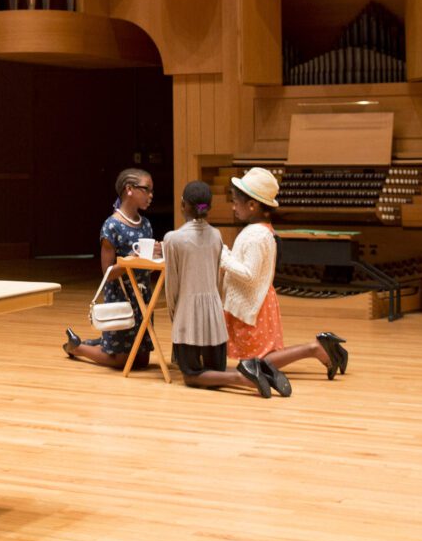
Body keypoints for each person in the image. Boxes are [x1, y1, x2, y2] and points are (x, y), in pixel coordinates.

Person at [162, 181, 289, 398]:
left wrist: (175, 315)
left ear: (183, 205)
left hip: (188, 315)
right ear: (208, 207)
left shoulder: (172, 239)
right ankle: (261, 371)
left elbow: (172, 286)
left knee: (191, 376)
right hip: (215, 317)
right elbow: (217, 279)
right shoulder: (216, 235)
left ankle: (244, 377)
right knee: (213, 372)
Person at [221, 167, 349, 381]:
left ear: (252, 205)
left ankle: (314, 348)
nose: (233, 206)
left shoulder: (257, 235)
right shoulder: (259, 230)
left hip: (254, 304)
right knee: (256, 360)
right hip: (255, 302)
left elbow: (249, 274)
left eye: (236, 201)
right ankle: (322, 347)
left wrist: (224, 258)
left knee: (259, 363)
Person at [62, 168, 158, 369]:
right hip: (121, 295)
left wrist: (157, 255)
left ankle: (99, 342)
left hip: (143, 295)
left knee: (141, 360)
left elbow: (146, 264)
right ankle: (76, 347)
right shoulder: (111, 226)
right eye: (146, 189)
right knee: (121, 360)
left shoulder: (146, 224)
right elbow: (107, 273)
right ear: (129, 189)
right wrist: (130, 261)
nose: (151, 195)